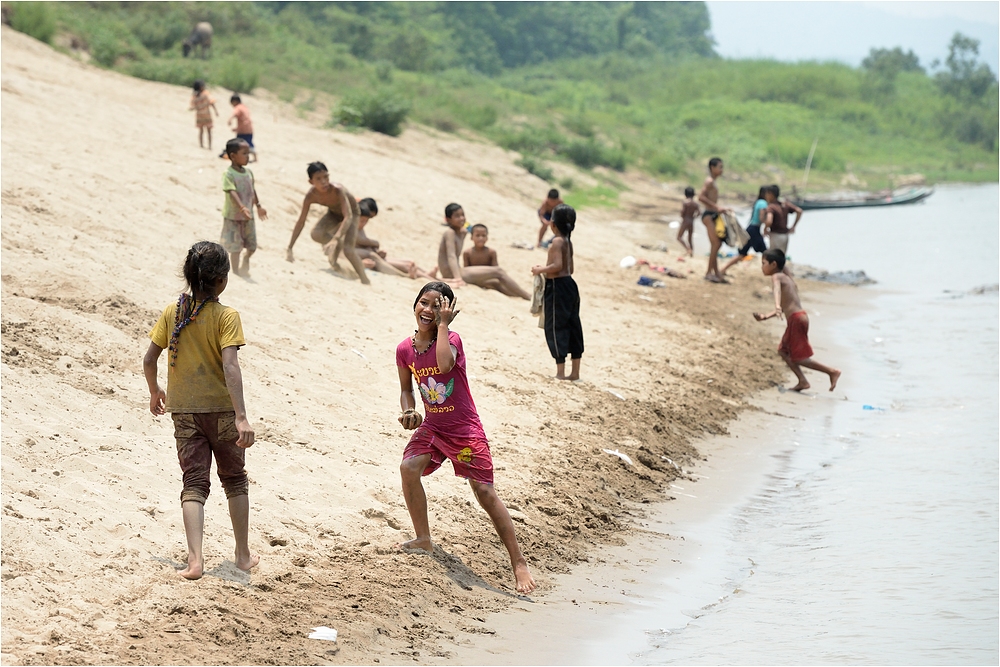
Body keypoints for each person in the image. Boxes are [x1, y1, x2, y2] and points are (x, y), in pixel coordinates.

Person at [395, 282, 536, 595]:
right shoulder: (405, 349)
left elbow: (444, 365)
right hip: (433, 427)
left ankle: (518, 562)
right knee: (408, 469)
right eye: (424, 303)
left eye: (437, 306)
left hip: (464, 429)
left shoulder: (452, 338)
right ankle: (423, 538)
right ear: (415, 304)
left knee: (484, 493)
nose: (428, 311)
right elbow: (407, 389)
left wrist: (444, 326)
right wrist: (409, 411)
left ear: (447, 312)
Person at [142, 241, 259, 580]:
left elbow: (150, 359)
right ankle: (242, 555)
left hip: (184, 412)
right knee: (235, 480)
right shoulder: (226, 316)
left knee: (193, 483)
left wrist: (155, 391)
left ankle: (195, 561)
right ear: (222, 280)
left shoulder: (173, 311)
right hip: (222, 412)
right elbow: (231, 367)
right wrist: (241, 416)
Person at [754, 248, 841, 392]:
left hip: (797, 319)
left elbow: (776, 291)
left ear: (773, 264)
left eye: (763, 263)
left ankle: (832, 372)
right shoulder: (787, 278)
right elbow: (786, 306)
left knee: (800, 358)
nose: (761, 267)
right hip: (798, 318)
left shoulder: (777, 277)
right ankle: (802, 381)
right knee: (783, 351)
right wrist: (765, 316)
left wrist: (776, 304)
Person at [285, 161, 370, 285]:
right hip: (334, 213)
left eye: (326, 177)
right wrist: (290, 247)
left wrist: (335, 238)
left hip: (352, 213)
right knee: (316, 234)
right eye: (318, 179)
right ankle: (337, 263)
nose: (324, 181)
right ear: (311, 182)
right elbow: (301, 221)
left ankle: (365, 279)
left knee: (348, 250)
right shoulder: (311, 196)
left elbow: (348, 216)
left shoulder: (337, 190)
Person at [531, 204, 583, 381]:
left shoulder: (556, 241)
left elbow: (557, 266)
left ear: (552, 224)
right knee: (573, 325)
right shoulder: (568, 241)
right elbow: (570, 268)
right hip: (570, 285)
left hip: (558, 287)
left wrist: (540, 269)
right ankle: (575, 372)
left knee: (555, 326)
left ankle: (560, 373)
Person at [437, 203, 531, 300]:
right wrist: (458, 278)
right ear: (448, 219)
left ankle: (520, 297)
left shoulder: (462, 232)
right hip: (453, 273)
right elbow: (451, 256)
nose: (461, 218)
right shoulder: (450, 233)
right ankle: (528, 296)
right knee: (498, 271)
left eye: (463, 215)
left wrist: (468, 226)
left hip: (458, 271)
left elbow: (473, 229)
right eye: (457, 216)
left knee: (495, 282)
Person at [220, 138, 267, 277]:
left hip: (248, 216)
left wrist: (258, 206)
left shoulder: (248, 172)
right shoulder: (228, 174)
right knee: (235, 247)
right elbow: (231, 191)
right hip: (233, 216)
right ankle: (235, 272)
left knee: (252, 245)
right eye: (244, 153)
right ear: (233, 156)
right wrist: (242, 207)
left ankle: (246, 259)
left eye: (248, 153)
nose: (248, 156)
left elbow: (252, 190)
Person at [697, 157, 733, 283]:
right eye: (720, 167)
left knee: (716, 244)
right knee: (716, 244)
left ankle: (716, 273)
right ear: (712, 168)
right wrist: (717, 207)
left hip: (714, 214)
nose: (722, 170)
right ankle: (708, 273)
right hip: (708, 215)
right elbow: (701, 197)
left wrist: (721, 209)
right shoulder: (709, 181)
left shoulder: (713, 181)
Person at [719, 186, 769, 277]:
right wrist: (768, 224)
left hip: (751, 228)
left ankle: (723, 269)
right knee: (766, 252)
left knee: (742, 254)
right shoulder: (763, 203)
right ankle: (775, 271)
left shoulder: (758, 202)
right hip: (754, 230)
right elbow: (761, 217)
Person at [762, 185, 803, 255]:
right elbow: (799, 211)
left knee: (773, 256)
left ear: (771, 194)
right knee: (782, 256)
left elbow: (769, 221)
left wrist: (765, 229)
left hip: (775, 234)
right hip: (785, 235)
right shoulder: (784, 204)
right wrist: (794, 226)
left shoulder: (771, 207)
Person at [218, 94, 256, 162]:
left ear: (234, 101)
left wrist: (230, 120)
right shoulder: (245, 107)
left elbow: (234, 114)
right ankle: (255, 158)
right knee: (249, 143)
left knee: (239, 144)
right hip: (249, 129)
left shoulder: (238, 107)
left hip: (242, 130)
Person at [189, 80, 218, 150]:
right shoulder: (206, 94)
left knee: (201, 131)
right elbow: (211, 102)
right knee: (209, 131)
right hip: (207, 114)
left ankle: (201, 145)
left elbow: (192, 106)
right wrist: (216, 111)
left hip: (199, 115)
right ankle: (209, 146)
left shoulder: (194, 96)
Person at [677, 186, 700, 257]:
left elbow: (682, 211)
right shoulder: (695, 204)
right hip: (691, 221)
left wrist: (683, 216)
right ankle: (691, 253)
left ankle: (688, 249)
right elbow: (699, 213)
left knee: (679, 237)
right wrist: (693, 217)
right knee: (690, 239)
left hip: (685, 220)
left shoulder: (685, 202)